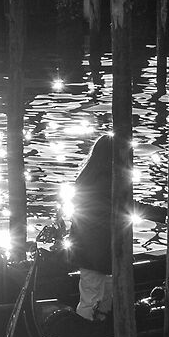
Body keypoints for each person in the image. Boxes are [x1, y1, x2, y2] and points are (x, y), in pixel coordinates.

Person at [62, 133, 125, 321]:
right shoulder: (107, 182)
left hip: (92, 252)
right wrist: (164, 214)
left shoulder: (87, 178)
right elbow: (125, 206)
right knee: (94, 299)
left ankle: (97, 329)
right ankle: (84, 335)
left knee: (98, 297)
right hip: (98, 253)